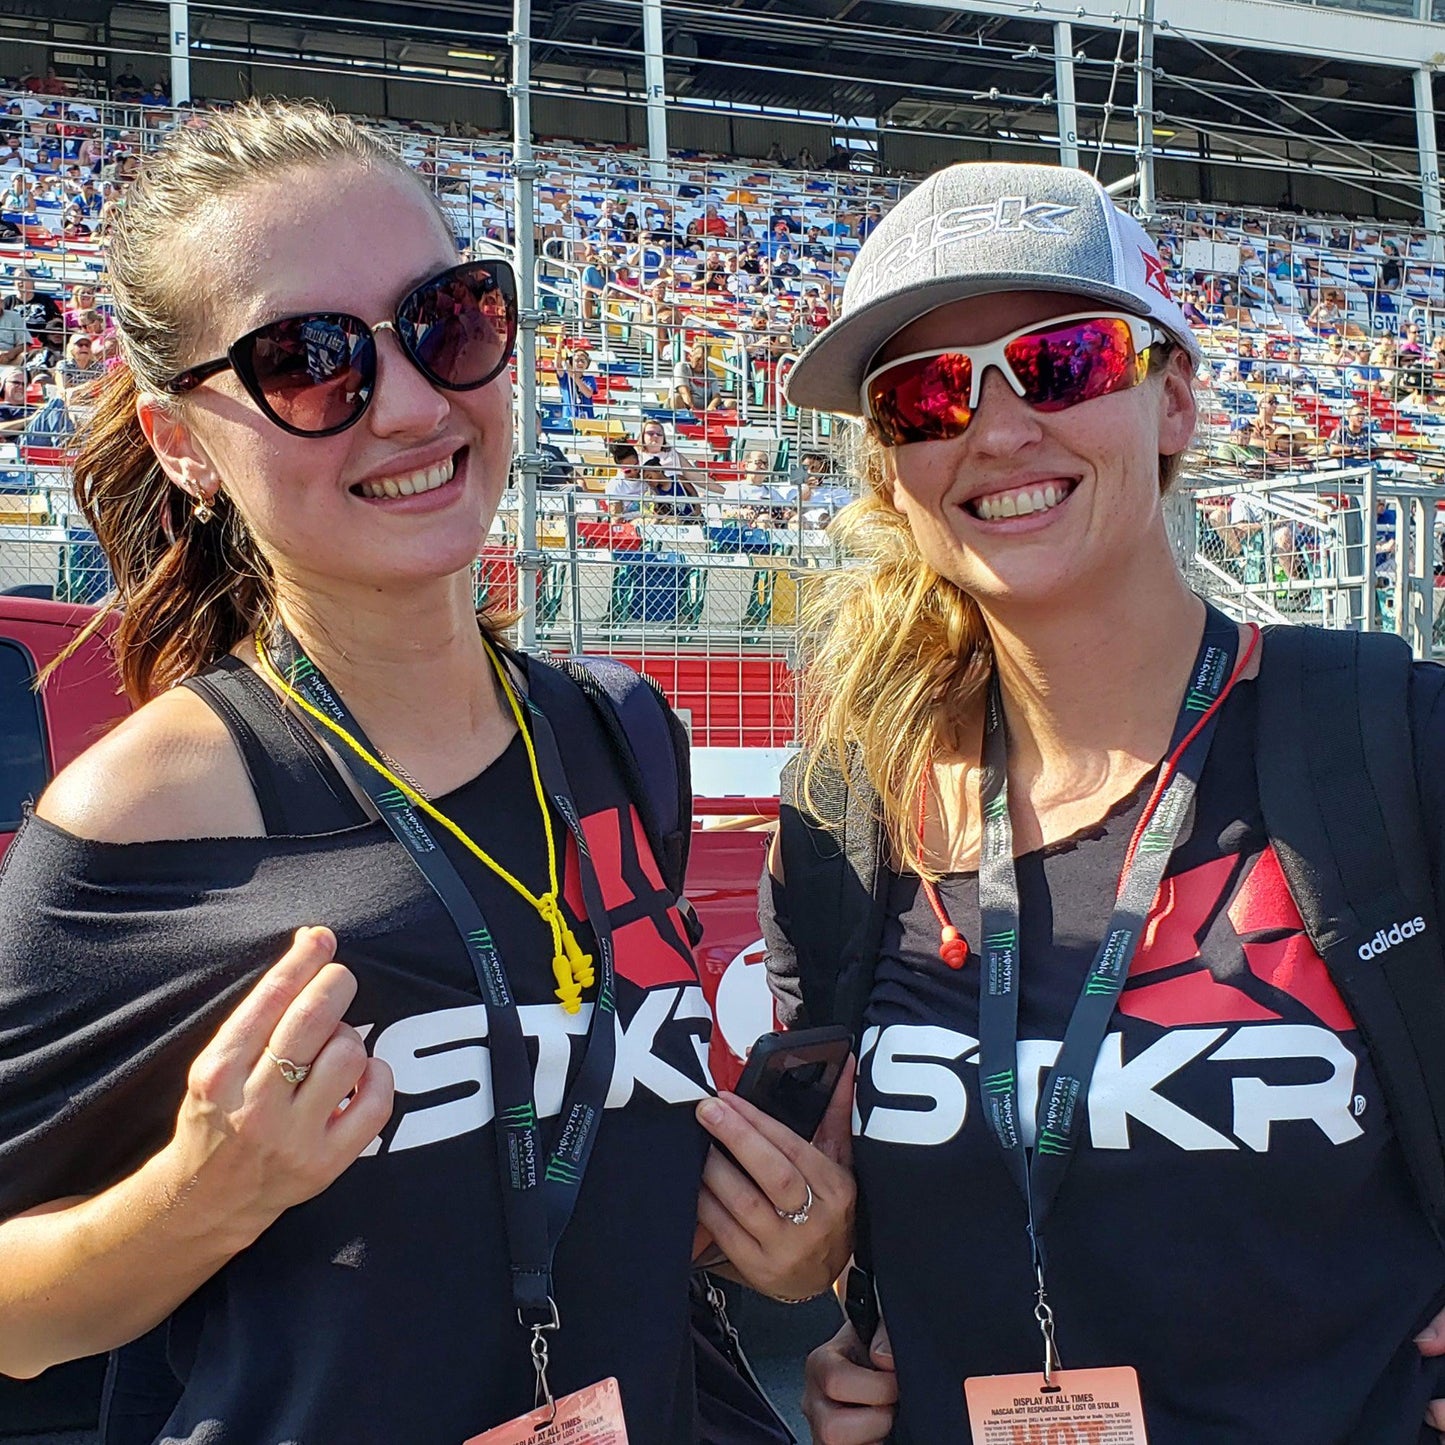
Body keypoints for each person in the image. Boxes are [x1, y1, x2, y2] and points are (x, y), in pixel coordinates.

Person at [0, 99, 851, 1445]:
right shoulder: (141, 819)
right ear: (182, 444)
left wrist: (774, 1248)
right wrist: (197, 1196)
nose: (406, 403)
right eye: (305, 359)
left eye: (445, 320)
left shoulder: (618, 735)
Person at [778, 159, 1445, 1445]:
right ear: (893, 466)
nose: (996, 427)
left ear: (1173, 399)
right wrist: (835, 1309)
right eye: (924, 396)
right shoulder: (847, 806)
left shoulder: (1387, 734)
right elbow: (817, 1202)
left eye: (1062, 360)